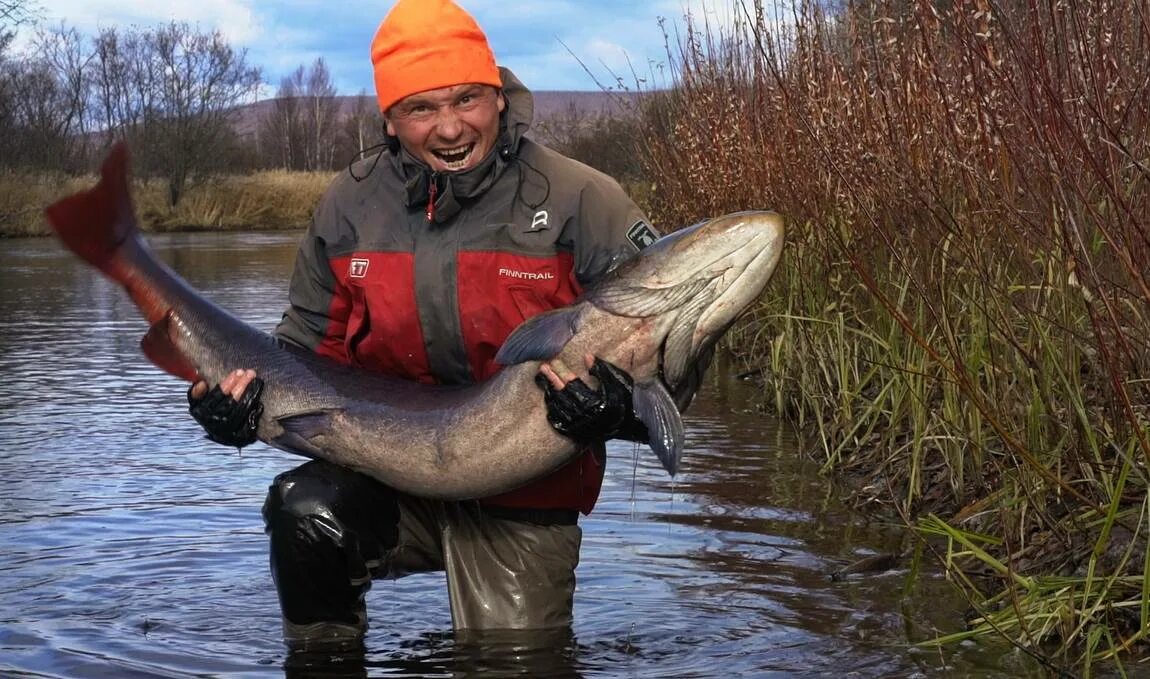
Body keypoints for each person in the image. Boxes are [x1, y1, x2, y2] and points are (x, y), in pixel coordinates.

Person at [187, 0, 696, 653]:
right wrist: (236, 409)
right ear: (391, 121)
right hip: (391, 479)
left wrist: (617, 410)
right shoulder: (349, 203)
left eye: (468, 99)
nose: (451, 127)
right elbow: (303, 356)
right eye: (422, 108)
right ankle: (323, 657)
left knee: (515, 664)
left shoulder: (582, 200)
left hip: (525, 492)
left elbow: (674, 358)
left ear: (501, 96)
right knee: (303, 511)